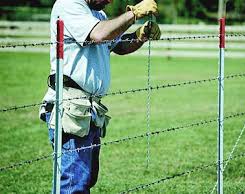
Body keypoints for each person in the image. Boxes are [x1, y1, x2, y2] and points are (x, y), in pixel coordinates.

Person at [40, 0, 161, 193]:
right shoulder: (68, 4)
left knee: (85, 179)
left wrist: (140, 36)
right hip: (71, 106)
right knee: (73, 184)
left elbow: (116, 44)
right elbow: (98, 34)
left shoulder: (98, 14)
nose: (110, 1)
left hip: (90, 109)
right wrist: (134, 14)